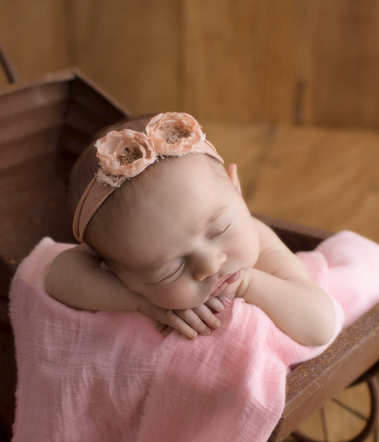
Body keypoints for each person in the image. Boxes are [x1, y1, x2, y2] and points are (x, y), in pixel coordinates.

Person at [44, 112, 337, 347]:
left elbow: (320, 325)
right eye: (169, 270)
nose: (209, 265)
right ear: (114, 271)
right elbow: (56, 277)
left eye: (219, 229)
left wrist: (247, 284)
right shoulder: (126, 263)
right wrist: (136, 301)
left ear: (235, 188)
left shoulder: (258, 240)